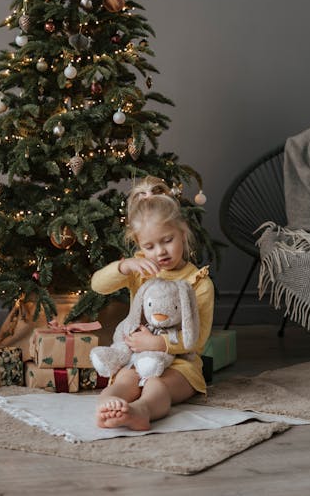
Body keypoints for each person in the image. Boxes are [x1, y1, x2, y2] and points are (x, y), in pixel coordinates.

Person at [91, 176, 214, 431]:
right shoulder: (139, 269)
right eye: (149, 246)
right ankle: (108, 404)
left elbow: (198, 339)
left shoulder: (198, 282)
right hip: (138, 358)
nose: (160, 252)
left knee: (157, 385)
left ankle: (141, 411)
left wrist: (158, 343)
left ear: (183, 232)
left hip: (181, 365)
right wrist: (124, 266)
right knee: (125, 379)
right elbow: (98, 285)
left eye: (167, 240)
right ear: (139, 246)